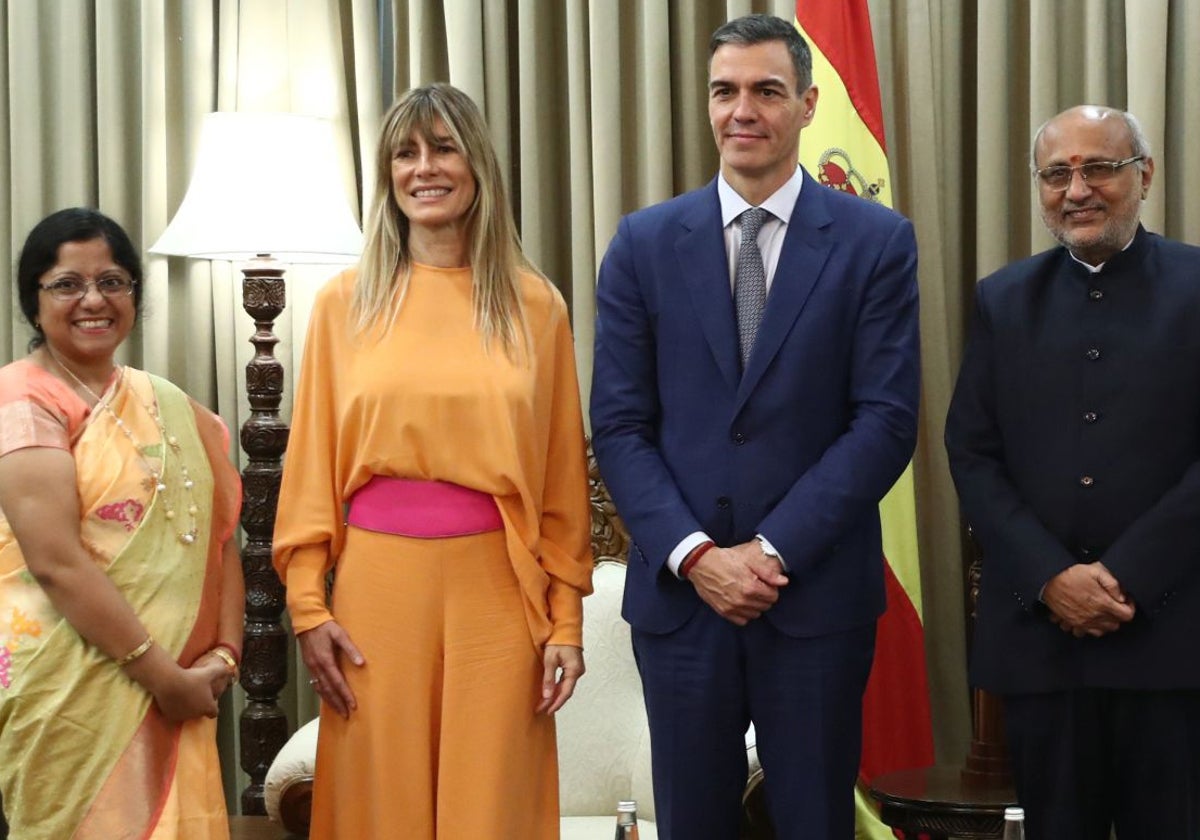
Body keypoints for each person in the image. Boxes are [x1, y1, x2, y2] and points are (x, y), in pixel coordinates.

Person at [590, 14, 920, 840]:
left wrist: (769, 555)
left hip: (812, 600)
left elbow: (883, 421)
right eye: (725, 90)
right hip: (681, 604)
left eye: (767, 91)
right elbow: (621, 427)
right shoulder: (643, 244)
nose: (744, 109)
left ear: (807, 104)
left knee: (814, 821)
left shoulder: (875, 243)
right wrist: (698, 557)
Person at [272, 83, 593, 839]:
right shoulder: (342, 303)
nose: (425, 168)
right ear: (387, 174)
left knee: (492, 809)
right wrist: (308, 606)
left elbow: (559, 483)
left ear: (477, 163)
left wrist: (566, 622)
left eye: (443, 147)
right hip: (377, 589)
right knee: (380, 808)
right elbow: (311, 467)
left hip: (497, 587)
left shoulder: (535, 305)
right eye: (405, 153)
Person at [945, 104, 1200, 840]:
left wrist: (1129, 576)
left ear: (1144, 175)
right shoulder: (1002, 298)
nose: (1077, 189)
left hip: (1172, 640)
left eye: (1099, 168)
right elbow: (972, 452)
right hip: (1042, 643)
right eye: (1057, 174)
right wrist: (1051, 576)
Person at [0, 208, 244, 839]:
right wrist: (163, 678)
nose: (92, 300)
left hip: (182, 689)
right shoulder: (23, 400)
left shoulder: (171, 406)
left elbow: (219, 541)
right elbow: (55, 563)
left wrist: (223, 656)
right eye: (66, 284)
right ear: (35, 299)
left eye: (113, 281)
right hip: (68, 691)